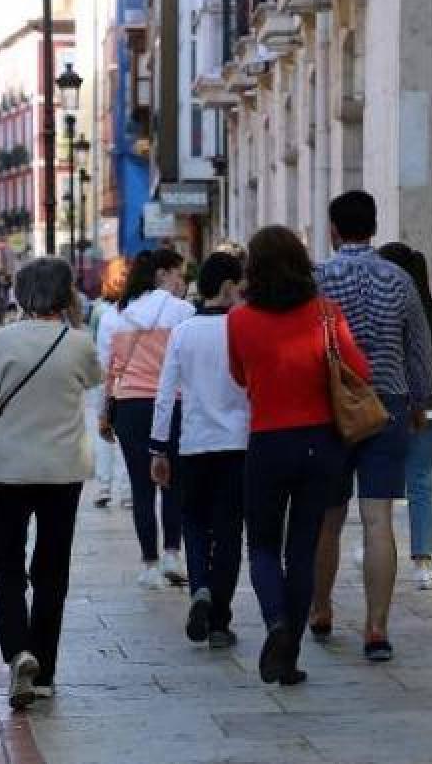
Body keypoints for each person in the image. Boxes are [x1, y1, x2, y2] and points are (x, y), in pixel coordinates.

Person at [0, 257, 103, 709]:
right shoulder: (79, 343)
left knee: (4, 563)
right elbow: (94, 380)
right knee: (53, 568)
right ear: (66, 294)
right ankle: (45, 671)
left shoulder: (0, 343)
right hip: (62, 471)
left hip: (7, 471)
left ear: (20, 293)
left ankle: (19, 650)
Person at [228, 225, 371, 684]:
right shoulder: (327, 314)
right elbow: (359, 370)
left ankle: (276, 623)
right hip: (320, 443)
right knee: (303, 548)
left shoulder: (239, 320)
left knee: (263, 545)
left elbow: (238, 375)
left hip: (268, 441)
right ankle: (288, 656)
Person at [309, 191, 432, 662]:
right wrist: (419, 400)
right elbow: (419, 348)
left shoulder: (317, 279)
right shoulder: (399, 279)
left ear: (334, 229)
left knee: (328, 518)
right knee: (378, 518)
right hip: (389, 404)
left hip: (332, 408)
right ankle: (376, 627)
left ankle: (321, 609)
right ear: (375, 227)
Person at [150, 252, 249, 649]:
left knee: (194, 522)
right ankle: (221, 619)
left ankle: (201, 590)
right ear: (228, 287)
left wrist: (159, 447)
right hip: (238, 444)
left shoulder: (183, 332)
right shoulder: (243, 330)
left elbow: (164, 393)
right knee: (228, 530)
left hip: (193, 444)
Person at [97, 249, 195, 589]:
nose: (182, 281)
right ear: (163, 275)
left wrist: (104, 414)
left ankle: (150, 565)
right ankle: (172, 554)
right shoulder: (184, 312)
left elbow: (112, 369)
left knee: (142, 487)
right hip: (173, 405)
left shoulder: (124, 314)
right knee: (174, 483)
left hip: (130, 406)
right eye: (178, 274)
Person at [377, 243, 432, 591]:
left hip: (390, 403)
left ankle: (374, 547)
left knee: (379, 481)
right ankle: (423, 562)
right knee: (421, 481)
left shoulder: (384, 311)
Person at [88, 258, 131, 510]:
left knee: (105, 432)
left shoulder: (98, 310)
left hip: (106, 377)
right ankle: (124, 491)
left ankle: (104, 487)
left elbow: (96, 345)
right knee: (122, 435)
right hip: (122, 378)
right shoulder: (132, 313)